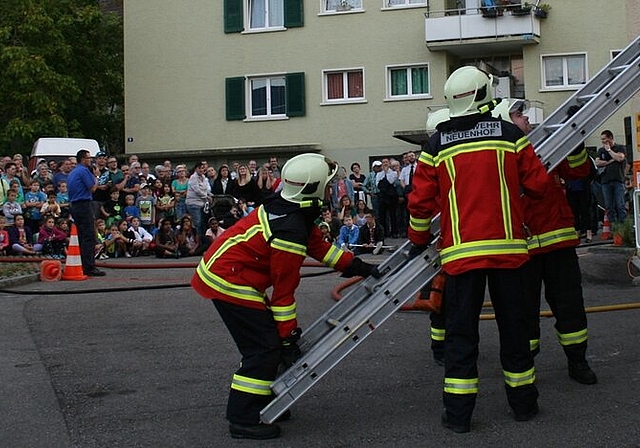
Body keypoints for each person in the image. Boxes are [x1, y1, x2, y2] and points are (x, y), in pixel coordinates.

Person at [190, 153, 379, 440]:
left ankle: (265, 398)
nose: (331, 190)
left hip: (230, 272)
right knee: (264, 348)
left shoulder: (290, 209)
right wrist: (288, 334)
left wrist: (356, 265)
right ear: (313, 189)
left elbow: (319, 247)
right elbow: (283, 292)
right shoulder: (288, 230)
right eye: (327, 186)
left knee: (267, 344)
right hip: (228, 279)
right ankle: (243, 417)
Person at [408, 67, 549, 433]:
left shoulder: (435, 145)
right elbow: (538, 186)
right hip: (509, 254)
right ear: (485, 95)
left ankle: (458, 417)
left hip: (460, 257)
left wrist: (418, 240)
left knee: (460, 336)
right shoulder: (510, 136)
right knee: (515, 332)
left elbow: (421, 203)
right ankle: (523, 406)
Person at [495, 99, 598, 385]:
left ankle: (578, 361)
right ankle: (525, 367)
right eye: (519, 115)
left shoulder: (546, 145)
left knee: (570, 307)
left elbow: (578, 172)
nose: (526, 118)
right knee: (522, 313)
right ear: (505, 121)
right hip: (521, 250)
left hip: (558, 244)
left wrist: (576, 139)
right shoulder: (496, 154)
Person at [68, 149, 105, 276]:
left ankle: (83, 264)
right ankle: (89, 266)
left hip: (75, 205)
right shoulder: (84, 171)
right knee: (88, 236)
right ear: (83, 159)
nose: (91, 160)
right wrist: (96, 176)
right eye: (89, 158)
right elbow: (93, 188)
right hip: (83, 204)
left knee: (82, 236)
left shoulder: (73, 172)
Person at [595, 130, 627, 224]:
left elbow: (620, 158)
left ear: (610, 138)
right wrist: (610, 161)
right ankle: (613, 227)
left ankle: (622, 227)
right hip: (605, 182)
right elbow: (597, 162)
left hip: (618, 181)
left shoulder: (620, 147)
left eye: (604, 139)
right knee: (609, 206)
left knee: (620, 205)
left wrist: (609, 150)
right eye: (602, 139)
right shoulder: (601, 151)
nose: (603, 141)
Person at [186, 161, 212, 240]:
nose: (201, 170)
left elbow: (207, 188)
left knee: (202, 223)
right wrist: (206, 197)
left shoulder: (204, 177)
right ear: (196, 169)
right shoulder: (193, 177)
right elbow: (197, 190)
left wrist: (210, 195)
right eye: (199, 168)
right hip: (193, 204)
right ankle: (197, 240)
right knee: (197, 223)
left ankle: (202, 239)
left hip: (202, 204)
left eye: (202, 168)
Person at [376, 158, 399, 238]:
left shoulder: (394, 173)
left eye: (386, 162)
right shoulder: (379, 174)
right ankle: (384, 232)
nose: (385, 164)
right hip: (382, 197)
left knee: (393, 215)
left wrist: (384, 181)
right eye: (383, 162)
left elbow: (390, 181)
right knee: (382, 215)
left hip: (391, 197)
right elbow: (378, 185)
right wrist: (384, 184)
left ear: (389, 164)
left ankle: (394, 232)